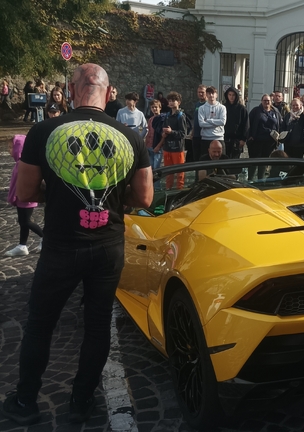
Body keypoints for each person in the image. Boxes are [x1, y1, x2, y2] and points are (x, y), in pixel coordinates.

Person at [1, 63, 152, 427]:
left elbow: (25, 193)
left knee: (40, 323)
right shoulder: (129, 136)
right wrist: (115, 201)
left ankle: (25, 400)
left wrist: (57, 196)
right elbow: (145, 198)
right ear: (109, 90)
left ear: (71, 91)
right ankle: (82, 401)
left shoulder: (43, 130)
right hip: (108, 246)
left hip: (61, 246)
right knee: (98, 324)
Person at [4, 135, 44, 257]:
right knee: (23, 221)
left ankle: (45, 237)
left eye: (11, 147)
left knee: (25, 221)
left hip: (26, 198)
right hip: (22, 197)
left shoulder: (23, 164)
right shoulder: (19, 163)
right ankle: (22, 245)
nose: (9, 150)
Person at [154, 92, 187, 190]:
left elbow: (183, 134)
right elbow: (164, 129)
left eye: (173, 101)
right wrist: (163, 133)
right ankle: (168, 189)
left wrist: (171, 131)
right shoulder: (167, 115)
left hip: (177, 149)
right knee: (168, 172)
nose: (171, 103)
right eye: (170, 101)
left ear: (179, 102)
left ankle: (179, 191)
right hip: (167, 148)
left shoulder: (181, 116)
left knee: (180, 172)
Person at [247, 94, 282, 179]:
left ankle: (261, 180)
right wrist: (249, 136)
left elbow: (280, 124)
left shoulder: (275, 111)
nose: (266, 102)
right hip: (257, 141)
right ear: (261, 101)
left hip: (270, 142)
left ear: (271, 101)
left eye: (268, 101)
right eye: (265, 100)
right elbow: (248, 124)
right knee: (254, 162)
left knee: (264, 162)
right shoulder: (256, 111)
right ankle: (250, 180)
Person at [198, 86, 226, 157]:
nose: (211, 95)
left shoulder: (222, 108)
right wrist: (216, 123)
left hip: (219, 137)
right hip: (206, 138)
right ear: (206, 95)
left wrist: (208, 120)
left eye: (213, 93)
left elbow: (222, 122)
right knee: (205, 161)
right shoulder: (201, 108)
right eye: (209, 93)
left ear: (216, 95)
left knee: (221, 161)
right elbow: (201, 124)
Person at [223, 86, 249, 159]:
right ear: (227, 95)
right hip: (225, 138)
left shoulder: (241, 109)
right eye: (230, 95)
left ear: (236, 96)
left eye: (233, 95)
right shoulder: (223, 107)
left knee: (235, 161)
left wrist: (243, 139)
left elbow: (246, 124)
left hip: (237, 139)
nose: (231, 97)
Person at [190, 84, 207, 162]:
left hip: (204, 135)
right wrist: (192, 132)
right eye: (199, 92)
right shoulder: (197, 104)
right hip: (196, 134)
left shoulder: (207, 105)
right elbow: (195, 119)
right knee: (195, 156)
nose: (200, 94)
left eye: (202, 92)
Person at [146, 99, 163, 169]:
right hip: (149, 146)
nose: (154, 109)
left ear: (160, 108)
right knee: (150, 167)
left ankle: (157, 180)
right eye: (152, 107)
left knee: (156, 168)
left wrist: (159, 146)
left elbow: (163, 135)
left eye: (156, 107)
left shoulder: (162, 119)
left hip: (157, 146)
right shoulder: (150, 119)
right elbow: (149, 132)